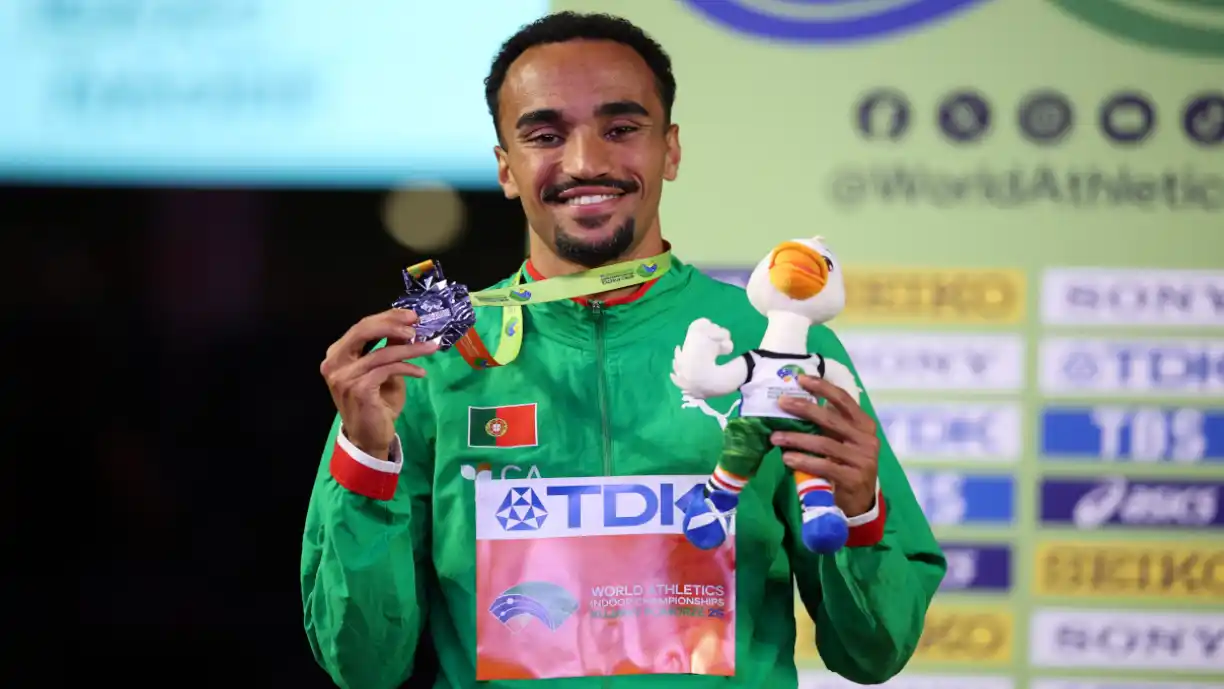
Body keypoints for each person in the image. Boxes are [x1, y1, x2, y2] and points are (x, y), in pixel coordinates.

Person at [301, 11, 946, 689]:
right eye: (545, 136)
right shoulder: (425, 361)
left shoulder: (777, 345)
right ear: (506, 168)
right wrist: (366, 459)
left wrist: (858, 510)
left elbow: (873, 652)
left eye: (621, 129)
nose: (585, 163)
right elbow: (363, 666)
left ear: (671, 150)